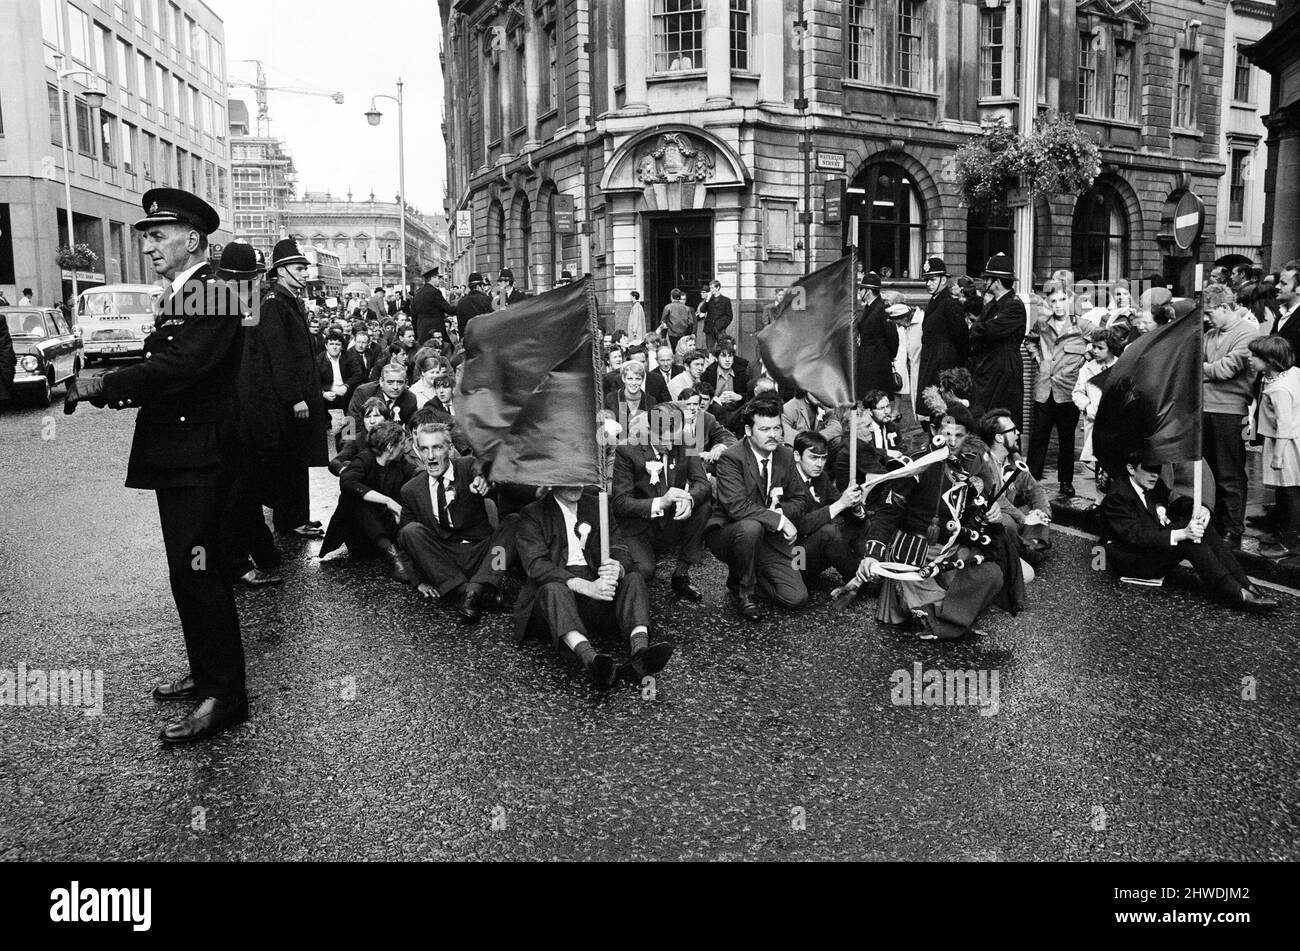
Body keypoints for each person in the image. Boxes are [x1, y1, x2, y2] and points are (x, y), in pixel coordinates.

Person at [62, 187, 248, 743]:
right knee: (185, 573)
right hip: (183, 453)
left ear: (192, 240)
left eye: (158, 235)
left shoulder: (213, 292)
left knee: (200, 572)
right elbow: (166, 362)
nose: (148, 246)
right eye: (145, 236)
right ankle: (207, 672)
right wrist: (112, 384)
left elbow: (181, 365)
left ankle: (225, 695)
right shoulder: (186, 292)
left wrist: (100, 384)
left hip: (202, 456)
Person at [854, 416, 1006, 640]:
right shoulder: (915, 464)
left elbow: (971, 514)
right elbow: (888, 512)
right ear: (934, 430)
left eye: (959, 435)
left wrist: (991, 515)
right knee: (935, 612)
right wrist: (873, 554)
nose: (952, 442)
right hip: (914, 555)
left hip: (949, 552)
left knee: (992, 575)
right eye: (947, 434)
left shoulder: (966, 466)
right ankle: (937, 615)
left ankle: (947, 614)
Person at [513, 485, 669, 690]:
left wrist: (618, 568)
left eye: (581, 478)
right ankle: (591, 660)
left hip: (597, 588)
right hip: (558, 597)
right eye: (569, 480)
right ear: (553, 481)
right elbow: (536, 565)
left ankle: (640, 653)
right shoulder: (532, 513)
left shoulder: (598, 505)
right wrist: (585, 586)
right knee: (553, 589)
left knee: (633, 578)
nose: (576, 485)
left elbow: (619, 545)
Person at [1097, 453, 1277, 612]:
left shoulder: (1151, 483)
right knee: (1188, 538)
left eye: (1157, 469)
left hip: (1150, 547)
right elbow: (1137, 536)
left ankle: (1245, 585)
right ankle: (1233, 593)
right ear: (1131, 468)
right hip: (1132, 561)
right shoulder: (1117, 497)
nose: (1154, 474)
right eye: (1148, 469)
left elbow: (1175, 502)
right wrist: (1182, 534)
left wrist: (1200, 508)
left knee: (1199, 525)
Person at [398, 422, 519, 622]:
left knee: (514, 522)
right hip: (445, 561)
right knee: (410, 531)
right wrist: (417, 581)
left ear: (449, 448)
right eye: (424, 449)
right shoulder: (410, 490)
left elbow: (486, 472)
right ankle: (473, 592)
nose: (430, 456)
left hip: (484, 555)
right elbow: (404, 542)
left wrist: (486, 482)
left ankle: (472, 590)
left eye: (437, 447)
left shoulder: (468, 466)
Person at [705, 396, 810, 621]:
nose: (773, 435)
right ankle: (745, 593)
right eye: (764, 429)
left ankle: (747, 574)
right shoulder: (732, 457)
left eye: (777, 428)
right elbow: (736, 506)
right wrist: (779, 521)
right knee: (751, 527)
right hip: (731, 532)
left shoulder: (785, 455)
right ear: (748, 430)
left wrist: (781, 513)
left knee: (797, 598)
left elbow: (800, 500)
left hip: (770, 538)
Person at [254, 239, 331, 538]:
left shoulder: (289, 300)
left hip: (301, 396)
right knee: (289, 463)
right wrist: (295, 397)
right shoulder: (275, 304)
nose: (304, 273)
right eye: (299, 268)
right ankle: (290, 520)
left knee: (299, 460)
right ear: (282, 270)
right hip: (291, 401)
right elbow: (279, 356)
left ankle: (300, 516)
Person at [611, 406, 713, 598]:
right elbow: (620, 502)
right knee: (645, 571)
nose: (672, 446)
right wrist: (660, 502)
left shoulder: (685, 441)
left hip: (671, 521)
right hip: (640, 525)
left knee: (704, 506)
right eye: (666, 441)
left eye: (676, 439)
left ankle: (681, 574)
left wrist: (688, 499)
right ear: (649, 431)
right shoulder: (627, 450)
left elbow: (703, 483)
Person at [320, 420, 418, 581]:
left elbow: (417, 475)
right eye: (401, 443)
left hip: (388, 530)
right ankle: (393, 556)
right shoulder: (365, 459)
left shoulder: (399, 463)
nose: (405, 447)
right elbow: (347, 481)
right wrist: (388, 501)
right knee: (352, 498)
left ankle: (395, 552)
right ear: (390, 447)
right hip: (361, 537)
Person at [1203, 282, 1261, 547]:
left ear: (1226, 307)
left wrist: (1203, 368)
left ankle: (1233, 528)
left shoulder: (1247, 333)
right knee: (1210, 471)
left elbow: (1227, 370)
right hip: (1205, 408)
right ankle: (1215, 522)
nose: (1207, 318)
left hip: (1231, 411)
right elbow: (1210, 368)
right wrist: (1208, 368)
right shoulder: (1211, 334)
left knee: (1230, 472)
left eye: (1211, 312)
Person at [1027, 282, 1097, 497]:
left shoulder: (1083, 326)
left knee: (1067, 439)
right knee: (1038, 437)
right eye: (1054, 301)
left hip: (1067, 391)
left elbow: (1101, 344)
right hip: (1044, 389)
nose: (1058, 305)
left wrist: (1085, 358)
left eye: (1062, 300)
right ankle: (1031, 480)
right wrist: (1038, 359)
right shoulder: (1042, 324)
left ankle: (1065, 481)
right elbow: (1029, 340)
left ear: (1070, 301)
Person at [792, 431, 867, 587]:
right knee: (829, 532)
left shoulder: (821, 477)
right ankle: (859, 580)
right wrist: (841, 503)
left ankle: (867, 569)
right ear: (797, 456)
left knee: (861, 523)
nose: (819, 464)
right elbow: (801, 526)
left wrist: (855, 507)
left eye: (823, 458)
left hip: (814, 549)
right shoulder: (788, 481)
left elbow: (840, 501)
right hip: (794, 560)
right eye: (813, 457)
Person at [979, 409, 1052, 565]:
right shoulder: (984, 462)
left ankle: (1024, 546)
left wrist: (1042, 511)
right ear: (999, 437)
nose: (1018, 433)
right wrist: (1025, 519)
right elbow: (997, 499)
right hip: (994, 513)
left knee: (1039, 510)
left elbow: (1035, 488)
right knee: (1007, 524)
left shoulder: (1015, 458)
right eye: (1012, 430)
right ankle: (1025, 549)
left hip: (1013, 510)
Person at [1249, 336, 1300, 558]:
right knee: (1282, 490)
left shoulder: (1279, 389)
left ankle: (1290, 541)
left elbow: (1285, 424)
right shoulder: (1288, 374)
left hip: (1285, 443)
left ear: (1270, 361)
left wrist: (1277, 456)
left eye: (1255, 356)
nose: (1250, 359)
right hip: (1283, 438)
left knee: (1290, 491)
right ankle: (1281, 532)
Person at [968, 253, 1027, 429]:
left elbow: (986, 330)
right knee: (985, 420)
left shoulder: (1014, 306)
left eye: (988, 279)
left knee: (1002, 421)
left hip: (1004, 369)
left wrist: (978, 329)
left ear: (998, 281)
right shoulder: (994, 304)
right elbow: (979, 329)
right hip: (989, 367)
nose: (985, 283)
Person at [914, 257, 969, 410]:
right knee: (931, 409)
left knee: (943, 410)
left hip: (944, 364)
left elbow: (961, 339)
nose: (928, 284)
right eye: (927, 280)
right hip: (932, 361)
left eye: (932, 280)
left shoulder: (951, 304)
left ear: (943, 280)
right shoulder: (934, 301)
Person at [834, 390, 903, 488]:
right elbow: (880, 474)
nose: (871, 429)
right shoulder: (856, 446)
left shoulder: (892, 428)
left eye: (888, 406)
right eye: (868, 426)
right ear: (853, 428)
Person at [855, 271, 899, 402]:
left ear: (867, 291)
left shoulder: (882, 309)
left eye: (861, 289)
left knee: (877, 401)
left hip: (878, 362)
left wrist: (885, 356)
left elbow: (893, 338)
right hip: (868, 362)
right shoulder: (869, 308)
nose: (859, 292)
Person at [330, 396, 391, 476]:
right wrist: (346, 470)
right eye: (368, 417)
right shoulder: (356, 440)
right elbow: (335, 462)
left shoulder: (393, 437)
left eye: (376, 416)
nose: (372, 421)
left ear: (385, 419)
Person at [348, 363, 418, 431]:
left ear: (406, 383)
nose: (395, 387)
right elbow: (352, 423)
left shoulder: (410, 399)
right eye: (390, 382)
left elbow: (412, 428)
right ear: (381, 381)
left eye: (400, 382)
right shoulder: (363, 392)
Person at [411, 266, 457, 346]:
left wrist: (417, 335)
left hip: (422, 332)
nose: (440, 280)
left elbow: (414, 317)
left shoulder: (417, 294)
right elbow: (449, 310)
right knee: (447, 350)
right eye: (438, 278)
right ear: (432, 278)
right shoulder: (435, 292)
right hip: (436, 331)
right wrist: (462, 306)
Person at [455, 271, 493, 337]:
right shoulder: (487, 299)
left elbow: (460, 324)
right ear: (478, 286)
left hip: (468, 338)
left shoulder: (461, 301)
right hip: (484, 337)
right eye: (483, 285)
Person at [701, 279, 734, 351]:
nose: (711, 290)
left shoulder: (726, 300)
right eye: (710, 288)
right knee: (710, 349)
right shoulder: (709, 299)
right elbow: (702, 310)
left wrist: (722, 325)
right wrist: (707, 300)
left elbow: (729, 316)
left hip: (720, 329)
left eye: (712, 288)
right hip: (709, 328)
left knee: (723, 348)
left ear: (718, 287)